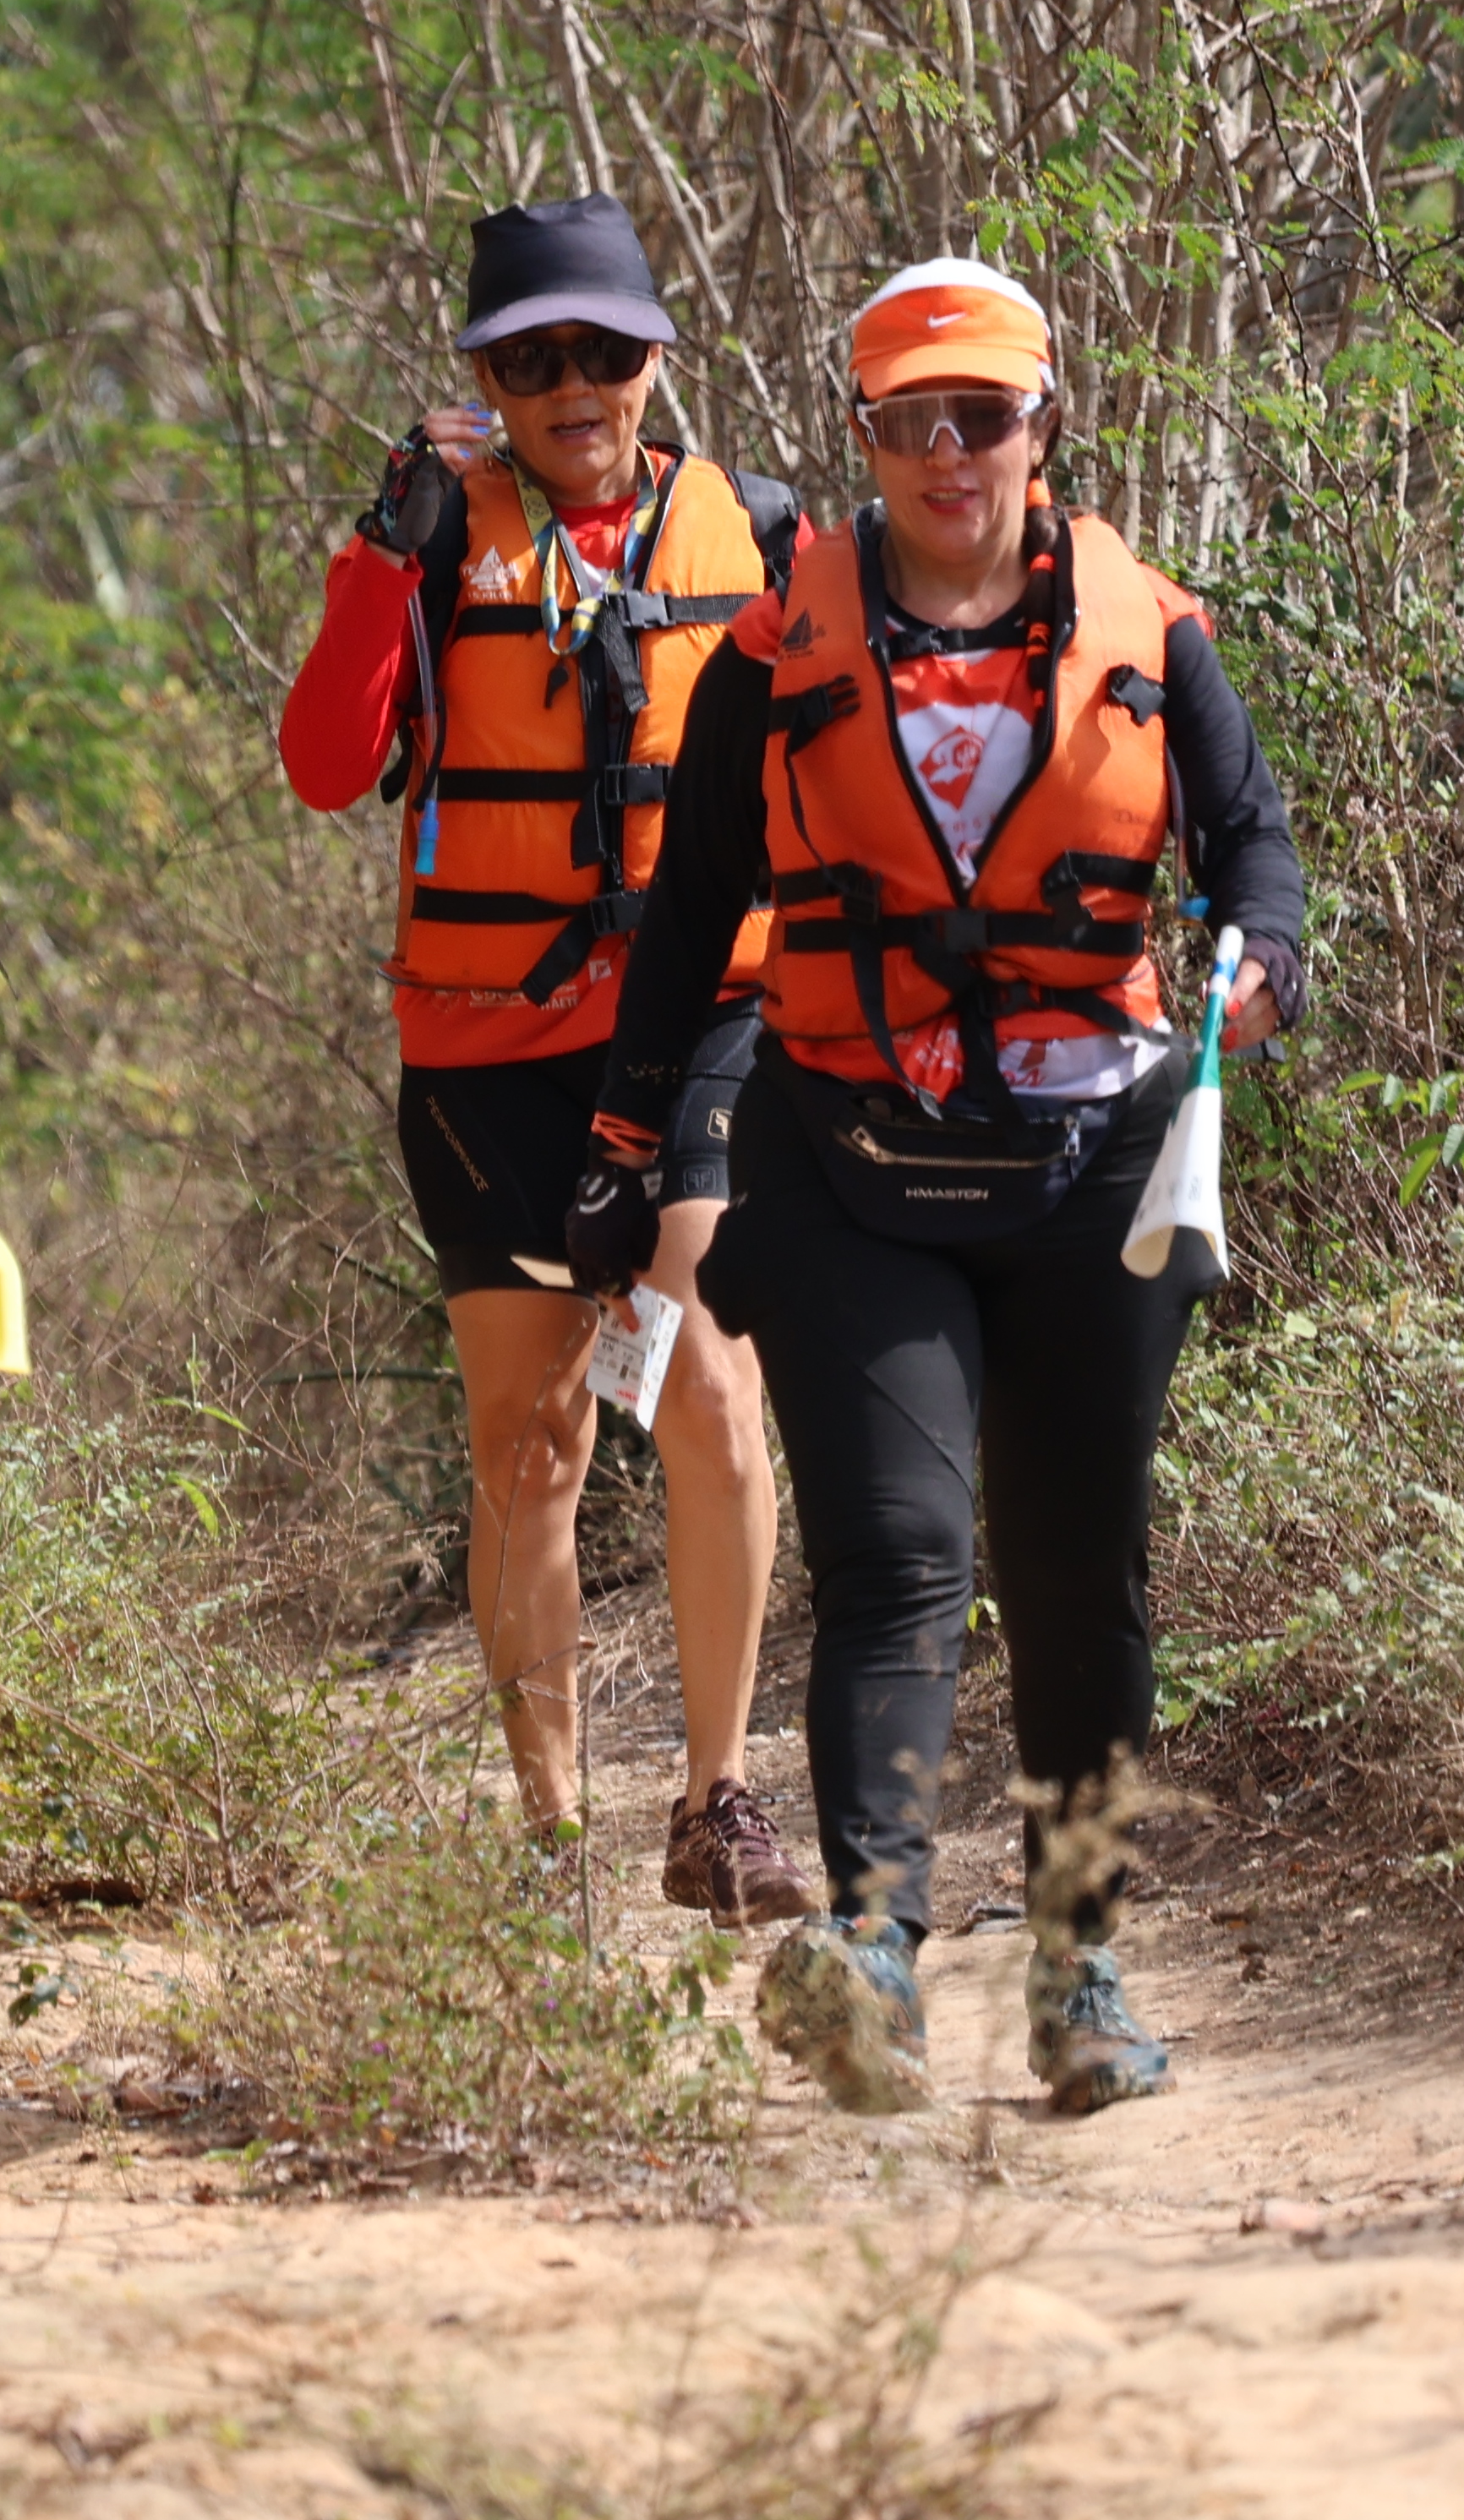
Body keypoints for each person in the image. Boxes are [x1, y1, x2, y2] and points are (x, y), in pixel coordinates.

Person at [570, 259, 1307, 2119]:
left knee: (1077, 1573)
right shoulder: (777, 652)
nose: (950, 452)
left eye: (984, 416)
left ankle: (1080, 1965)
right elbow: (688, 915)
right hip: (854, 1162)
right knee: (896, 1557)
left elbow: (1252, 841)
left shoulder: (1150, 627)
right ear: (868, 436)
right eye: (914, 421)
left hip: (1097, 1169)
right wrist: (628, 1146)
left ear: (1044, 426)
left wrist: (1266, 962)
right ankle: (875, 1951)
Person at [276, 190, 808, 1923]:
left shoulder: (766, 537)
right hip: (490, 1049)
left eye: (604, 350)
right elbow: (324, 762)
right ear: (487, 380)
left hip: (702, 1027)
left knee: (711, 1384)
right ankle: (554, 1836)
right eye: (530, 360)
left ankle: (718, 1800)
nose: (573, 386)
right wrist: (382, 554)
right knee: (530, 1444)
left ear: (657, 355)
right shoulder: (432, 546)